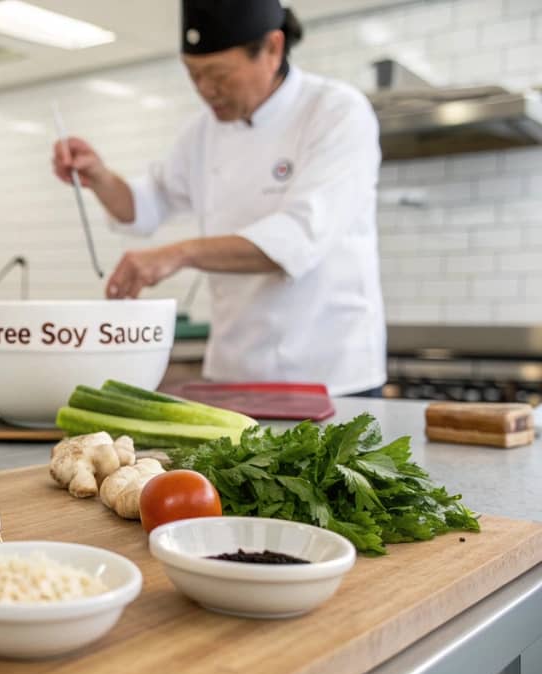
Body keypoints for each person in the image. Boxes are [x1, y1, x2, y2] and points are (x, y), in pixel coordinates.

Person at [52, 0, 386, 397]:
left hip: (329, 374)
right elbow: (146, 206)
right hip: (233, 372)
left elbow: (298, 238)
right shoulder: (202, 133)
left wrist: (179, 253)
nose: (206, 91)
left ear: (273, 49)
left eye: (219, 75)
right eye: (194, 75)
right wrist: (100, 177)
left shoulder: (336, 111)